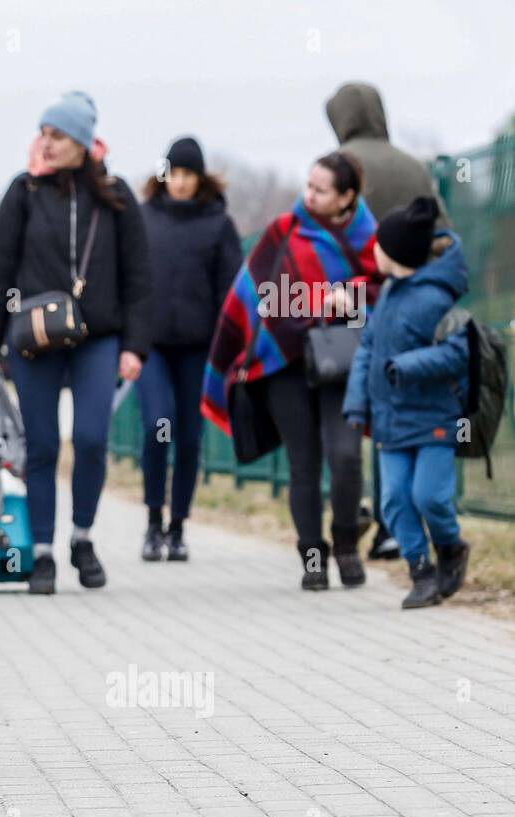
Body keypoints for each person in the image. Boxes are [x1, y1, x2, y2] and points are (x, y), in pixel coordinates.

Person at [0, 90, 153, 595]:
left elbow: (139, 276)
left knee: (93, 438)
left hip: (98, 337)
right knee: (44, 445)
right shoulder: (25, 191)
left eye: (56, 135)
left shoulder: (115, 196)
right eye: (43, 134)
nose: (45, 143)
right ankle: (45, 551)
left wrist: (135, 345)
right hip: (34, 339)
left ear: (81, 142)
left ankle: (82, 537)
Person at [202, 151, 379, 590]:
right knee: (304, 464)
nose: (308, 195)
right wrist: (232, 357)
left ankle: (346, 545)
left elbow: (385, 288)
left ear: (346, 198)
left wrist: (348, 295)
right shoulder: (284, 230)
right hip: (284, 365)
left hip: (341, 360)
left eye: (320, 190)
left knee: (345, 456)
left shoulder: (369, 237)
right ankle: (312, 558)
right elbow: (249, 293)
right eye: (308, 185)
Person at [326, 81, 451, 562]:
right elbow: (442, 233)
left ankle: (376, 519)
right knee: (412, 411)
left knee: (361, 416)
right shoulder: (411, 165)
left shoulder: (337, 167)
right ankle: (404, 522)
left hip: (355, 306)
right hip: (416, 304)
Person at [343, 197, 470, 609]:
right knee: (394, 500)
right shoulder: (389, 296)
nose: (373, 251)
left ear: (394, 253)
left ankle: (450, 549)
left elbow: (458, 351)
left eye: (378, 245)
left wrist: (407, 365)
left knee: (429, 496)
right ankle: (421, 572)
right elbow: (366, 350)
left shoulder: (437, 298)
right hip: (390, 421)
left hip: (434, 419)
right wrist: (356, 403)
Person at [137, 137, 242, 561]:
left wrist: (229, 346)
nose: (179, 182)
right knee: (156, 426)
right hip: (152, 347)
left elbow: (230, 291)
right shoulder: (143, 219)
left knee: (190, 437)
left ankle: (178, 527)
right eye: (174, 174)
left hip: (199, 349)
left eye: (188, 175)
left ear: (200, 179)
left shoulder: (218, 224)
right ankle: (152, 522)